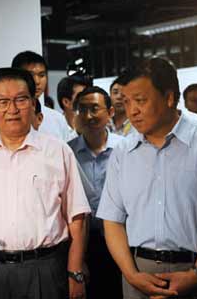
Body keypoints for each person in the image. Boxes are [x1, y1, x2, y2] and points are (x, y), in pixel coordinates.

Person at [96, 57, 197, 299]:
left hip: (196, 271)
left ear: (168, 97)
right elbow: (112, 220)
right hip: (138, 274)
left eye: (141, 101)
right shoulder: (123, 152)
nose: (132, 110)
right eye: (127, 102)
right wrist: (131, 275)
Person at [0, 67, 91, 299]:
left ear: (33, 102)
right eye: (1, 102)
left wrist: (75, 273)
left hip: (46, 269)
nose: (12, 109)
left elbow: (77, 219)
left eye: (20, 99)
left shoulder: (57, 152)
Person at [68, 87, 124, 299]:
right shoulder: (67, 151)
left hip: (119, 237)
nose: (88, 116)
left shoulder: (125, 149)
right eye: (82, 109)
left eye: (94, 109)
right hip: (81, 242)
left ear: (110, 112)